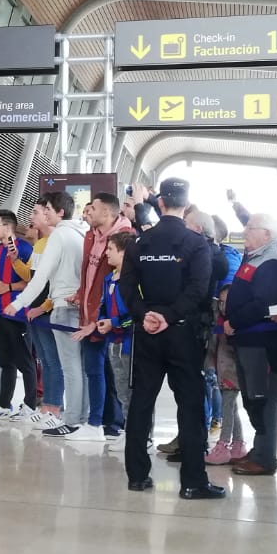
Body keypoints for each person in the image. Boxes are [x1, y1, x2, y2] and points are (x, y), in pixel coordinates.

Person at [119, 177, 216, 495]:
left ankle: (136, 475)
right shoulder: (196, 243)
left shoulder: (137, 244)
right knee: (190, 405)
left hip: (146, 334)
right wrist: (169, 316)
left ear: (159, 203)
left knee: (141, 402)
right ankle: (193, 482)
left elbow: (127, 288)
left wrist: (146, 315)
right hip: (182, 333)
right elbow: (199, 290)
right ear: (186, 205)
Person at [7, 192, 87, 436]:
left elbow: (40, 277)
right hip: (74, 305)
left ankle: (72, 420)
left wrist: (18, 303)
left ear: (60, 212)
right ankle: (79, 417)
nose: (43, 213)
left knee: (68, 367)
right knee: (76, 367)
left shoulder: (60, 234)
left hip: (62, 305)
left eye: (47, 209)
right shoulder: (80, 232)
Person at [224, 212, 277, 476]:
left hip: (261, 341)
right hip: (246, 339)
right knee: (252, 396)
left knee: (263, 397)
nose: (245, 232)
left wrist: (234, 322)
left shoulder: (272, 262)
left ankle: (264, 457)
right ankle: (259, 448)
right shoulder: (254, 257)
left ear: (267, 234)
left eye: (251, 228)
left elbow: (263, 302)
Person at [75, 192, 132, 440]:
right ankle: (109, 422)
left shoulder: (126, 240)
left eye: (93, 208)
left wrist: (112, 321)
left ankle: (120, 427)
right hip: (98, 320)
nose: (88, 212)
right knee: (109, 376)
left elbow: (134, 308)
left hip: (122, 333)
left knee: (122, 381)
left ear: (108, 212)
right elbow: (91, 277)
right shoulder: (91, 237)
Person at [0, 210, 36, 412]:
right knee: (5, 360)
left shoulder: (24, 248)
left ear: (8, 227)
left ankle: (30, 404)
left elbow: (33, 281)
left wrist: (9, 288)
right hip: (0, 312)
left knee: (24, 360)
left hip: (19, 313)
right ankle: (4, 404)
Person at [97, 229, 137, 436]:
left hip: (131, 342)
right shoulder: (109, 279)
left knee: (134, 392)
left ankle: (141, 434)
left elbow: (135, 313)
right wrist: (102, 321)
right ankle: (129, 431)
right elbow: (104, 306)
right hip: (114, 342)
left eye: (111, 249)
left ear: (124, 253)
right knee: (121, 391)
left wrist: (114, 322)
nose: (106, 253)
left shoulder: (135, 281)